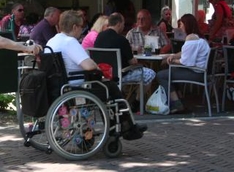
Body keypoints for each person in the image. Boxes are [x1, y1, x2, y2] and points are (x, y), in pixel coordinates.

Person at [45, 10, 147, 140]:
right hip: (76, 86)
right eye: (81, 27)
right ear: (75, 27)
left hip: (60, 86)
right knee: (112, 89)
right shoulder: (70, 42)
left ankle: (116, 127)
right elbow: (89, 66)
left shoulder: (52, 42)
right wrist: (98, 68)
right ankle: (128, 127)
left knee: (106, 88)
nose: (82, 30)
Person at [94, 12, 156, 112]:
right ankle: (136, 101)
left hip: (103, 74)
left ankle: (128, 98)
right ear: (118, 24)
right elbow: (132, 62)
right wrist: (138, 62)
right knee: (150, 73)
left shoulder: (99, 37)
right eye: (123, 24)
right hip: (120, 74)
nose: (123, 26)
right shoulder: (122, 40)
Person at [157, 14, 210, 114]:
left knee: (161, 75)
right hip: (201, 72)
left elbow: (186, 62)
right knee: (171, 72)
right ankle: (181, 101)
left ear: (186, 24)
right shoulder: (198, 37)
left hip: (196, 73)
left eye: (181, 24)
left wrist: (172, 61)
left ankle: (177, 104)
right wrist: (174, 56)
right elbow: (184, 53)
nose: (180, 27)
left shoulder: (190, 38)